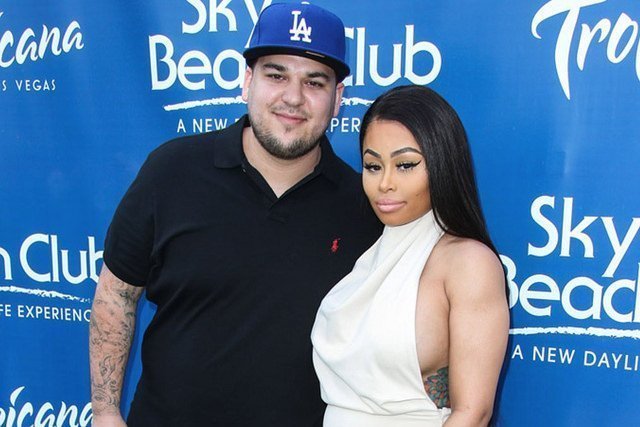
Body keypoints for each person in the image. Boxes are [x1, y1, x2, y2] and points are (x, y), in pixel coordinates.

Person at [89, 3, 382, 426]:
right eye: (276, 74)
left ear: (338, 98)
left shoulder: (365, 205)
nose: (293, 97)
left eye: (314, 82)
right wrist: (104, 413)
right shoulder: (172, 171)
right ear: (248, 81)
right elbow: (117, 294)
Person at [312, 85, 510, 426]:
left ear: (442, 163)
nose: (385, 183)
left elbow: (472, 414)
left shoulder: (467, 263)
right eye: (373, 166)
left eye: (405, 165)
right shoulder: (363, 255)